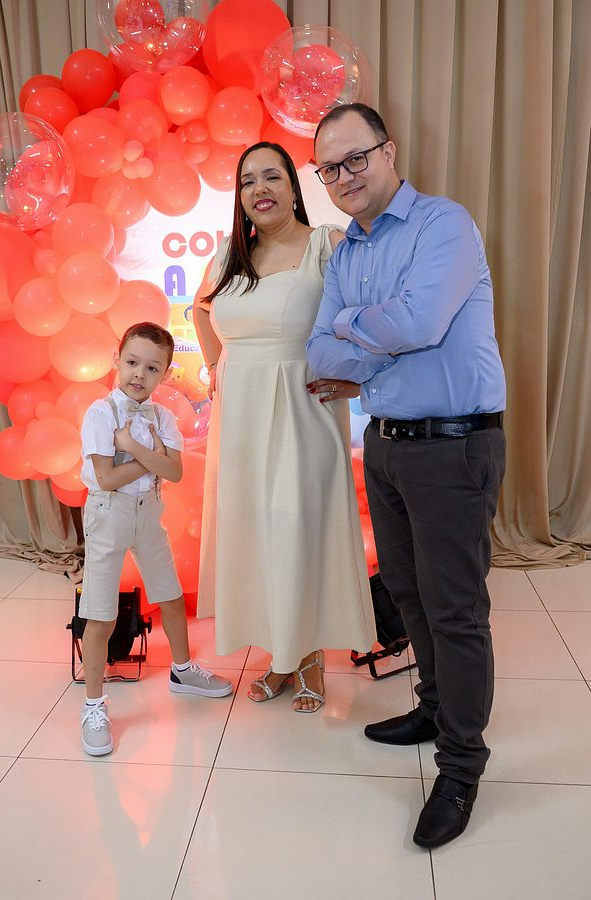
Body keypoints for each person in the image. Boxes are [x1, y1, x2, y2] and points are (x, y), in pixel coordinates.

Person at [307, 104, 506, 848]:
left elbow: (420, 323)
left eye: (354, 157)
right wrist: (372, 335)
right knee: (407, 593)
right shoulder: (346, 254)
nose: (343, 176)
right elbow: (319, 355)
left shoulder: (441, 225)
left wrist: (352, 331)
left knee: (454, 611)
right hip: (387, 444)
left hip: (453, 445)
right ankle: (433, 708)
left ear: (388, 152)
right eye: (329, 167)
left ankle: (460, 767)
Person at [193, 141, 375, 713]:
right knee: (256, 532)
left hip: (302, 410)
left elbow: (374, 314)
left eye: (271, 176)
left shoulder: (328, 244)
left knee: (299, 529)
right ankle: (281, 654)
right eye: (248, 181)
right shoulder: (229, 255)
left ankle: (310, 654)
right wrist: (215, 369)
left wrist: (356, 377)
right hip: (241, 417)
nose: (259, 189)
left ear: (294, 188)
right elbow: (201, 309)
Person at [79, 321, 232, 757]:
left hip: (148, 511)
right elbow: (106, 478)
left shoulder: (162, 416)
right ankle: (93, 706)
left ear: (165, 373)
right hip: (108, 514)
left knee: (170, 596)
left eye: (151, 368)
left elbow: (176, 471)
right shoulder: (100, 414)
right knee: (100, 613)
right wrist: (154, 459)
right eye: (132, 362)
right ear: (117, 360)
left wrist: (133, 447)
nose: (139, 375)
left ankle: (183, 670)